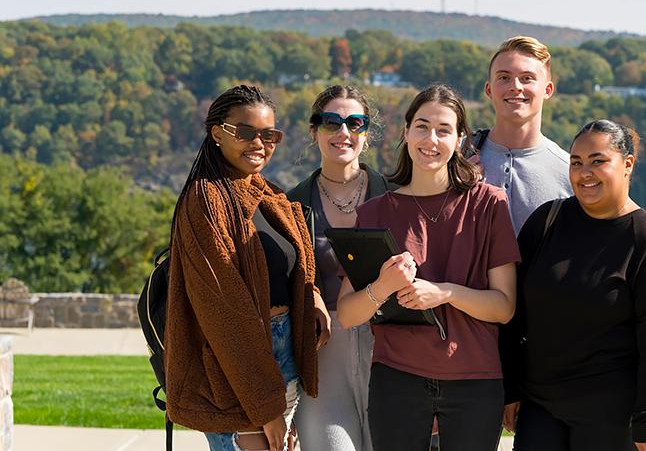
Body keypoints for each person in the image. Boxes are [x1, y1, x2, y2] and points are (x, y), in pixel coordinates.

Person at [336, 84, 520, 451]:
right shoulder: (374, 213)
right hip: (397, 379)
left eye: (443, 129)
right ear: (405, 132)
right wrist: (383, 286)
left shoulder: (489, 205)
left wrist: (444, 293)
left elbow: (504, 307)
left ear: (460, 138)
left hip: (475, 381)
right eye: (421, 127)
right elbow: (347, 314)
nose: (430, 139)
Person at [164, 85, 330, 451]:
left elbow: (288, 266)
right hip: (237, 371)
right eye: (246, 132)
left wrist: (312, 296)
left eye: (269, 135)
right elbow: (225, 312)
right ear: (217, 133)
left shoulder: (268, 194)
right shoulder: (205, 200)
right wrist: (265, 405)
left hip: (281, 356)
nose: (259, 143)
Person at [501, 119, 646, 451]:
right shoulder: (546, 222)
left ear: (627, 164)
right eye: (576, 162)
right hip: (541, 406)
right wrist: (510, 389)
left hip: (615, 415)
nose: (585, 172)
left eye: (598, 161)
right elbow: (515, 317)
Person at [288, 85, 396, 451]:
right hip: (322, 350)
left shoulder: (396, 196)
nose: (343, 133)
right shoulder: (290, 205)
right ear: (314, 130)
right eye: (331, 122)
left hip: (389, 348)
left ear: (367, 132)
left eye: (355, 123)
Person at [475, 35, 573, 234]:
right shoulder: (456, 158)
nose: (515, 86)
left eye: (527, 78)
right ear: (489, 89)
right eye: (504, 77)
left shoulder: (570, 172)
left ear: (548, 89)